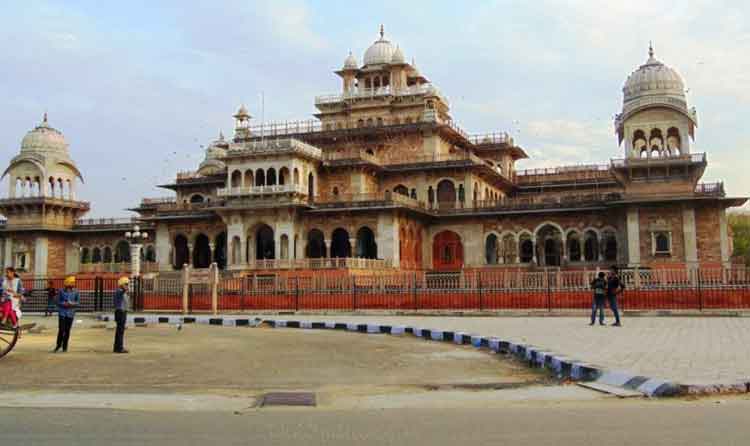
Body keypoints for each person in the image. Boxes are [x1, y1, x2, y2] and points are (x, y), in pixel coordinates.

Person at [54, 276, 80, 353]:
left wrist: (72, 303)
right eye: (72, 282)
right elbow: (57, 301)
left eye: (73, 282)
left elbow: (78, 302)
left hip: (70, 313)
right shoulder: (61, 291)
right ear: (67, 283)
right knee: (61, 330)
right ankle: (58, 345)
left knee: (67, 330)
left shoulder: (76, 292)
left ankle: (65, 346)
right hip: (62, 312)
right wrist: (63, 303)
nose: (73, 284)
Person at [113, 277, 130, 354]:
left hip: (122, 312)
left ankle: (117, 347)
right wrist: (124, 288)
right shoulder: (119, 291)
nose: (127, 285)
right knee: (120, 331)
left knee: (120, 331)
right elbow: (123, 291)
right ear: (122, 284)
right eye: (126, 284)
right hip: (120, 312)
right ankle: (119, 348)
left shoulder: (122, 292)